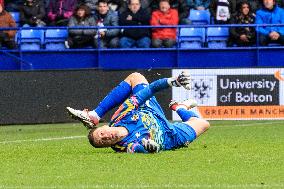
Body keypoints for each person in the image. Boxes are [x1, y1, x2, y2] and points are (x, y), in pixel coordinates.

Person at [66, 72, 210, 153]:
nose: (105, 138)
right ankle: (180, 108)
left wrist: (173, 82)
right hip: (168, 135)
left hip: (150, 110)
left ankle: (94, 115)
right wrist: (150, 147)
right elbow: (138, 148)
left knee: (136, 77)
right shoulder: (123, 146)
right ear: (107, 146)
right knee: (203, 123)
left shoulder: (120, 115)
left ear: (104, 127)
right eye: (103, 142)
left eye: (101, 134)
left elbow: (150, 90)